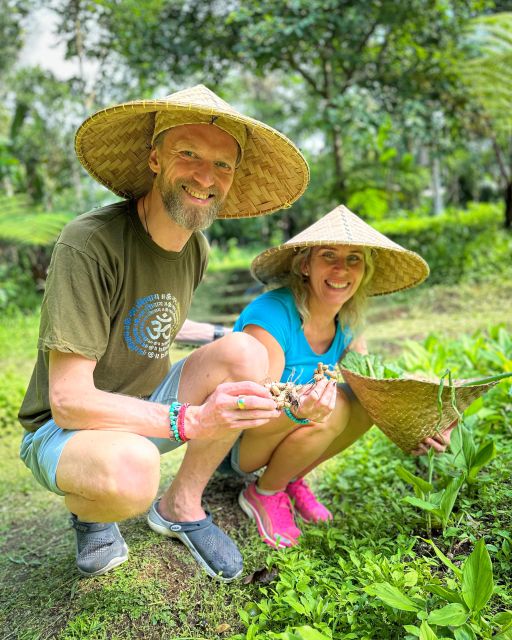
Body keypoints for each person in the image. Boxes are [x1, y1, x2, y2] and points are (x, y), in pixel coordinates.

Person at [17, 84, 309, 581]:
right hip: (66, 429)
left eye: (222, 164)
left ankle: (182, 504)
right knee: (132, 469)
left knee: (245, 352)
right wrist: (191, 418)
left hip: (146, 403)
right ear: (155, 158)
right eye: (189, 154)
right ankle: (91, 515)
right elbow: (68, 400)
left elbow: (152, 322)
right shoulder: (89, 243)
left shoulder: (196, 247)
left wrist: (262, 373)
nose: (205, 176)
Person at [231, 204, 457, 548]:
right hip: (240, 440)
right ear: (305, 264)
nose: (341, 268)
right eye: (329, 255)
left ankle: (292, 475)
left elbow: (377, 390)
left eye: (354, 258)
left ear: (364, 271)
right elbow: (251, 413)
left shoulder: (347, 323)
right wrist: (303, 408)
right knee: (333, 402)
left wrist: (423, 423)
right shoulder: (272, 313)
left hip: (284, 430)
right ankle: (264, 491)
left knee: (362, 401)